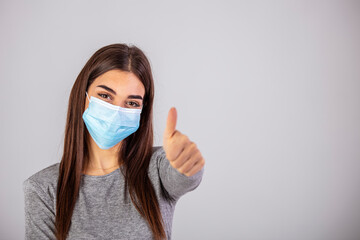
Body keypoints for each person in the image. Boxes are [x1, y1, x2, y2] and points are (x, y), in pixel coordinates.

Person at [22, 43, 205, 240]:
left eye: (132, 103)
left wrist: (186, 164)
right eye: (105, 95)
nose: (117, 110)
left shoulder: (157, 167)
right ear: (83, 97)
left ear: (141, 112)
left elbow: (184, 178)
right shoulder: (43, 188)